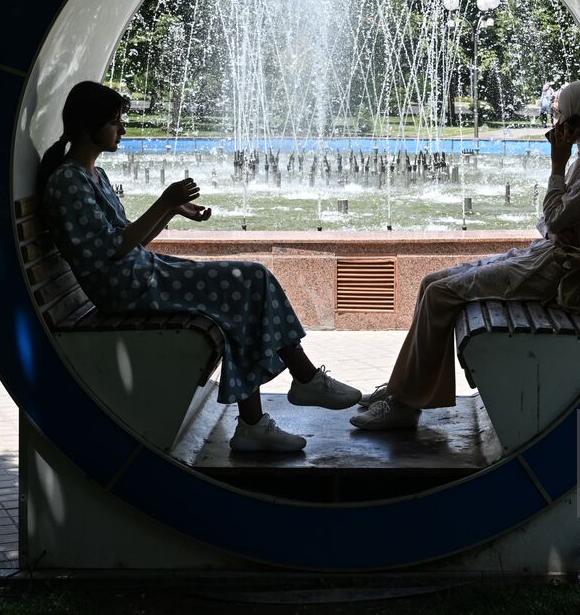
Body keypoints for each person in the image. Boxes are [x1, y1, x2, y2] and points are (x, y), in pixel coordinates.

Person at [38, 81, 362, 454]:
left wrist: (172, 209)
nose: (122, 129)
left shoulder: (93, 175)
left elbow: (129, 241)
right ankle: (297, 384)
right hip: (127, 289)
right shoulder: (68, 181)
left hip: (139, 276)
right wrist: (164, 202)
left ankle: (260, 420)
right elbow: (114, 249)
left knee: (244, 284)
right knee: (247, 278)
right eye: (114, 122)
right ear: (85, 127)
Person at [351, 80, 580, 430]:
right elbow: (548, 222)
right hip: (549, 257)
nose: (557, 125)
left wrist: (557, 167)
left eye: (563, 117)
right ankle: (402, 388)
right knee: (431, 281)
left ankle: (405, 405)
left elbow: (554, 219)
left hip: (560, 271)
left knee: (440, 294)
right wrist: (557, 214)